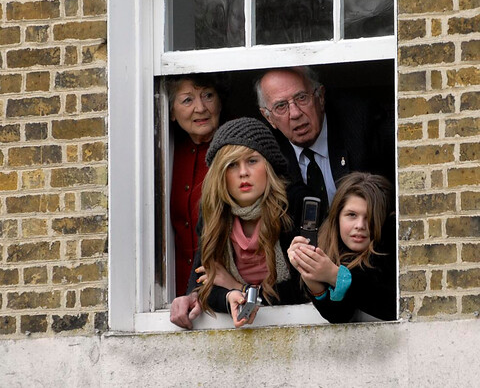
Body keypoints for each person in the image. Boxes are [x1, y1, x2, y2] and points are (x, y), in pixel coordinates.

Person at [169, 117, 307, 329]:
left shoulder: (293, 205)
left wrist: (239, 288)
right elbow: (205, 286)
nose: (243, 172)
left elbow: (305, 288)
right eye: (232, 164)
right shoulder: (214, 214)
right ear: (221, 175)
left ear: (269, 165)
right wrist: (227, 297)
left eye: (252, 161)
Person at [255, 66, 394, 219]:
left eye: (301, 98)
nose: (295, 113)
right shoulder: (265, 149)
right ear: (269, 117)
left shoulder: (362, 124)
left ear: (320, 97)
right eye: (281, 106)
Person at [288, 172, 396, 323]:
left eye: (370, 216)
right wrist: (311, 277)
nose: (360, 225)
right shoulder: (328, 250)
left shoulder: (391, 253)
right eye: (352, 215)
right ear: (337, 217)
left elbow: (392, 305)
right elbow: (340, 315)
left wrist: (334, 275)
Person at [165, 74, 225, 295]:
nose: (200, 108)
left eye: (208, 95)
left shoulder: (236, 153)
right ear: (171, 111)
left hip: (223, 291)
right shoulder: (162, 154)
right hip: (176, 294)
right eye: (187, 100)